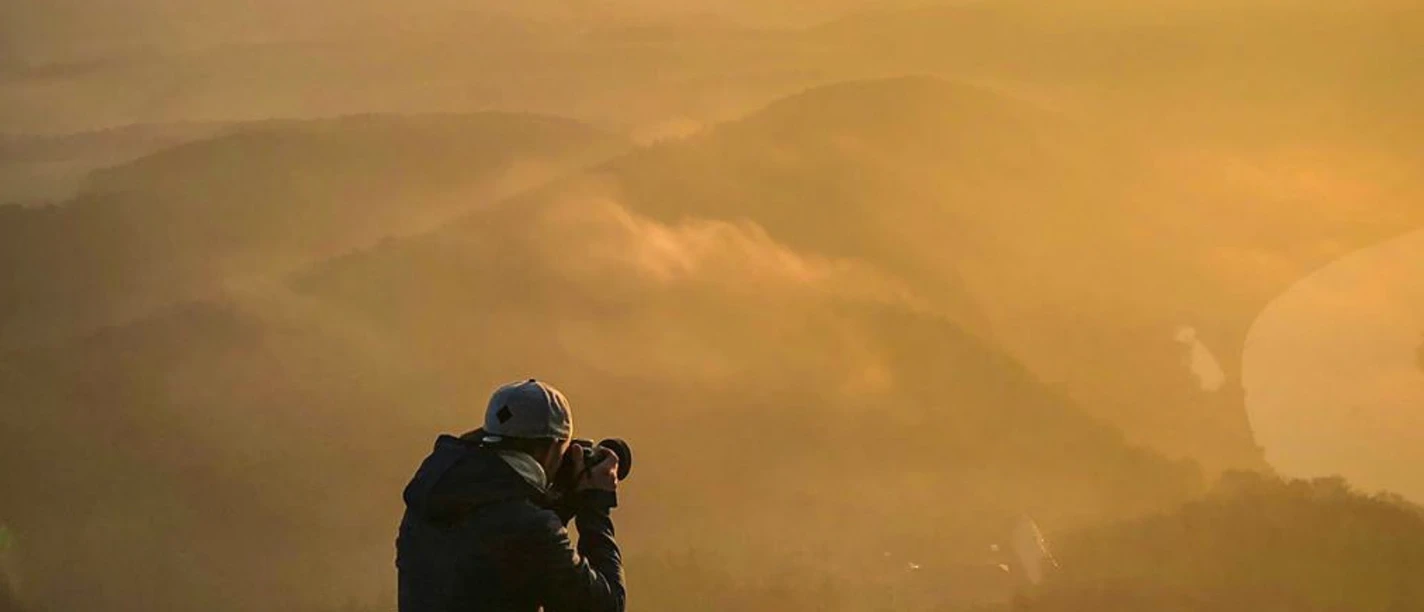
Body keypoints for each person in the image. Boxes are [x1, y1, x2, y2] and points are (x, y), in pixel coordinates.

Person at [396, 379, 625, 612]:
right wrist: (595, 505)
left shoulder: (428, 501)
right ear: (552, 448)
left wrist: (558, 506)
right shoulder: (531, 528)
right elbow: (607, 605)